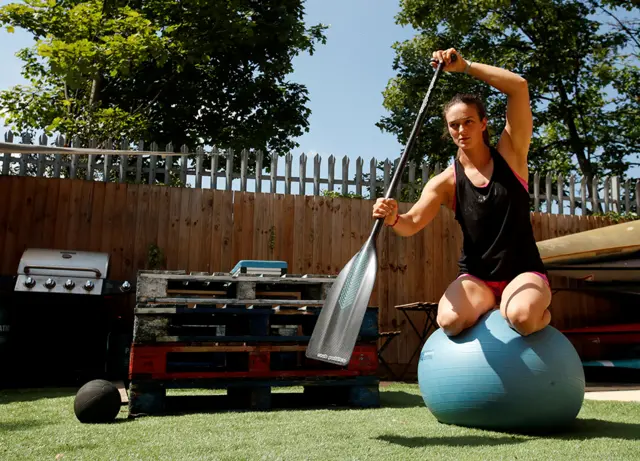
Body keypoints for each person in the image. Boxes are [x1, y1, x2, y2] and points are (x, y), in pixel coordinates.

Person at [372, 48, 551, 337]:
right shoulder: (445, 182)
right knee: (449, 322)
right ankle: (493, 304)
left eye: (468, 121)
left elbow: (518, 86)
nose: (461, 129)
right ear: (449, 131)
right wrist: (393, 218)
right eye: (454, 125)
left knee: (521, 317)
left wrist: (465, 66)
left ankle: (534, 312)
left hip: (523, 272)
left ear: (483, 124)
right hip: (477, 278)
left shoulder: (511, 156)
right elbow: (412, 223)